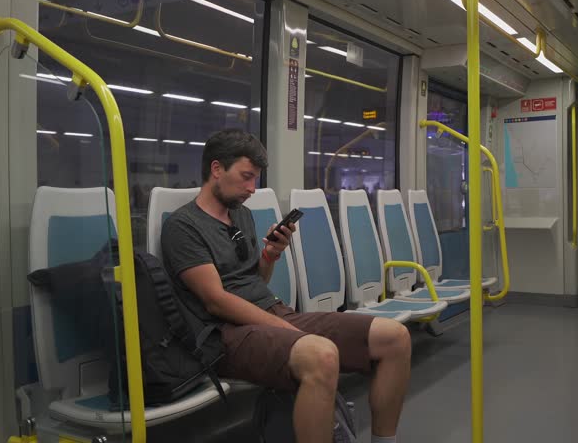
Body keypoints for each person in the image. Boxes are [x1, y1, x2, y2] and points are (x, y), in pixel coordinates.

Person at [161, 128, 411, 443]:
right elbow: (216, 301)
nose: (252, 188)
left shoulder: (242, 218)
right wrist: (287, 329)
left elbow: (255, 281)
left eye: (255, 179)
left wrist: (270, 255)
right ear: (216, 169)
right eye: (246, 177)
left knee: (395, 338)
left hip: (272, 313)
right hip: (224, 334)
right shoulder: (183, 227)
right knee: (321, 355)